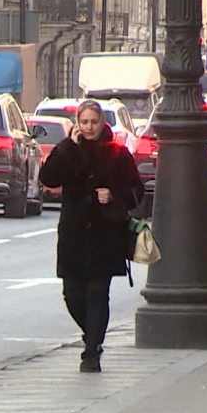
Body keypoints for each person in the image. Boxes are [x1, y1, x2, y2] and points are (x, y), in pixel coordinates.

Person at [38, 99, 144, 373]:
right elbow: (48, 177)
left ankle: (92, 351)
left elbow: (136, 191)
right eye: (84, 122)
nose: (88, 127)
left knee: (98, 292)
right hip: (73, 234)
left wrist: (114, 196)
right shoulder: (70, 150)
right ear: (77, 122)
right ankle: (92, 333)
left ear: (102, 123)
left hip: (105, 235)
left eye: (93, 122)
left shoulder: (117, 152)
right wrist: (66, 147)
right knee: (72, 293)